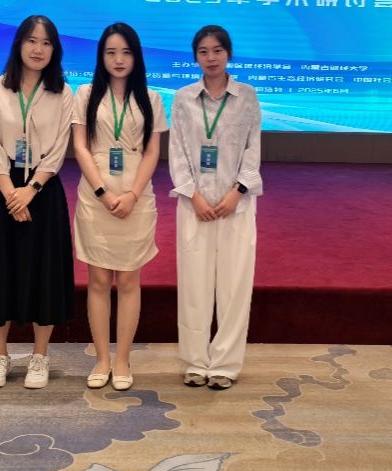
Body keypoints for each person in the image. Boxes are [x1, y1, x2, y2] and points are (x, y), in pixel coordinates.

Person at [0, 14, 75, 390]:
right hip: (0, 190)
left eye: (46, 42)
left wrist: (32, 190)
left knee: (44, 273)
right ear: (18, 45)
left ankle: (40, 357)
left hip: (43, 190)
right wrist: (12, 193)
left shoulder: (63, 93)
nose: (38, 49)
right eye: (31, 41)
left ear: (55, 50)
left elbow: (58, 148)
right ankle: (0, 356)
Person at [71, 23, 167, 392]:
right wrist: (103, 192)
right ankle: (101, 359)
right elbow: (80, 146)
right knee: (98, 281)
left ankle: (123, 359)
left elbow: (153, 152)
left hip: (136, 198)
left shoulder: (152, 98)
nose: (119, 59)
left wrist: (132, 195)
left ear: (136, 56)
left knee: (128, 280)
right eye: (111, 52)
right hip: (96, 198)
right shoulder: (85, 93)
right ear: (101, 56)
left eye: (126, 52)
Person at [168, 24, 262, 390]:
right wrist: (193, 195)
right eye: (204, 51)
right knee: (194, 285)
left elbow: (253, 150)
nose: (211, 58)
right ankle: (195, 361)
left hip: (236, 205)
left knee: (235, 286)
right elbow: (177, 152)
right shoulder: (183, 98)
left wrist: (237, 192)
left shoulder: (247, 96)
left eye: (217, 50)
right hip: (194, 205)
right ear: (195, 56)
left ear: (228, 54)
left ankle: (224, 364)